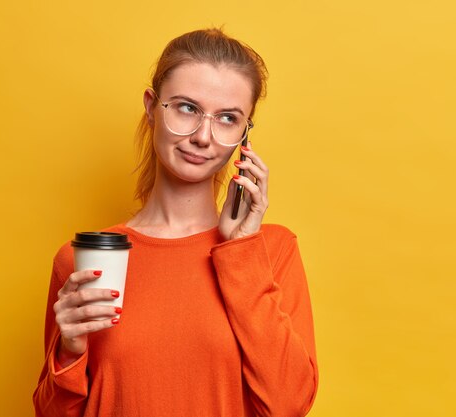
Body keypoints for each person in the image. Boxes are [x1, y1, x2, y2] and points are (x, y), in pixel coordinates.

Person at [33, 28, 318, 417]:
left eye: (228, 118)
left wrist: (240, 249)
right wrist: (69, 350)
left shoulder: (270, 250)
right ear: (152, 107)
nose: (203, 136)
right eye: (186, 107)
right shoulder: (83, 259)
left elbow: (289, 405)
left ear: (244, 136)